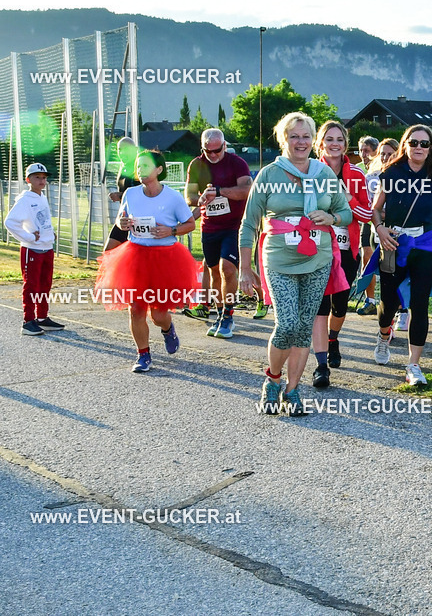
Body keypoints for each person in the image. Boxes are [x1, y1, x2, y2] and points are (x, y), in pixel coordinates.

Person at [239, 112, 352, 415]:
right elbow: (249, 223)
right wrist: (245, 269)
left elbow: (346, 212)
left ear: (313, 140)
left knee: (303, 328)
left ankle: (292, 391)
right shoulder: (268, 175)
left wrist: (331, 218)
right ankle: (273, 380)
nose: (300, 142)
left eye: (306, 136)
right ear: (283, 139)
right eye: (294, 136)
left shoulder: (324, 174)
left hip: (318, 259)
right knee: (286, 324)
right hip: (279, 259)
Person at [368, 125, 432, 385]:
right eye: (414, 143)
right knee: (388, 304)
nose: (419, 148)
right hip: (393, 243)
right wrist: (380, 230)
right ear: (405, 145)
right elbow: (375, 209)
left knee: (419, 304)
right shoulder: (390, 173)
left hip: (424, 244)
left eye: (424, 144)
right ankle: (383, 333)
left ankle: (413, 365)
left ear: (431, 148)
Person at [94, 150, 196, 372]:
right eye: (138, 167)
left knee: (159, 314)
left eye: (146, 166)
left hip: (166, 258)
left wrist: (171, 230)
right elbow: (121, 220)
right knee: (136, 309)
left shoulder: (173, 197)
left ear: (159, 170)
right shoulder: (130, 193)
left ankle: (168, 329)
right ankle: (143, 355)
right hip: (136, 255)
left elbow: (190, 224)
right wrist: (123, 224)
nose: (140, 171)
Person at [310, 121, 371, 388]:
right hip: (318, 248)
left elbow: (368, 215)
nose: (334, 144)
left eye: (339, 139)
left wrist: (348, 197)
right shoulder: (309, 171)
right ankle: (321, 365)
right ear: (320, 143)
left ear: (346, 144)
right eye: (329, 139)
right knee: (320, 305)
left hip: (347, 249)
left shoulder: (357, 175)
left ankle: (333, 338)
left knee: (340, 304)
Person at [181, 128, 253, 338]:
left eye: (217, 151)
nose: (213, 155)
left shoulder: (237, 163)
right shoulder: (196, 164)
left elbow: (247, 191)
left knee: (227, 269)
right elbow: (189, 196)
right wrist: (201, 199)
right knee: (213, 272)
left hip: (234, 226)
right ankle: (220, 314)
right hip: (209, 226)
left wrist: (220, 191)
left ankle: (229, 317)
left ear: (224, 145)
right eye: (208, 151)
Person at [5, 163, 64, 335]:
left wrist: (50, 232)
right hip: (32, 249)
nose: (41, 180)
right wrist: (29, 237)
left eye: (44, 177)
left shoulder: (42, 197)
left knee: (45, 284)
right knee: (31, 285)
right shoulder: (24, 200)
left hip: (47, 248)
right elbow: (10, 222)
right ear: (28, 179)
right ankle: (28, 321)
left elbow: (42, 219)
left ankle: (42, 317)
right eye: (37, 177)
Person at [356, 136, 392, 317]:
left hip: (392, 225)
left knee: (390, 265)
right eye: (361, 150)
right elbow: (368, 204)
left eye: (367, 151)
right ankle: (370, 300)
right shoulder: (368, 174)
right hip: (369, 223)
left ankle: (397, 307)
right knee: (368, 259)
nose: (363, 155)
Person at [103, 137, 141, 252]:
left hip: (137, 218)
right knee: (110, 253)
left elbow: (141, 191)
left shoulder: (138, 166)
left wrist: (120, 195)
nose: (122, 152)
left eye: (126, 149)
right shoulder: (123, 166)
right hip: (124, 217)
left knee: (109, 252)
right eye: (119, 149)